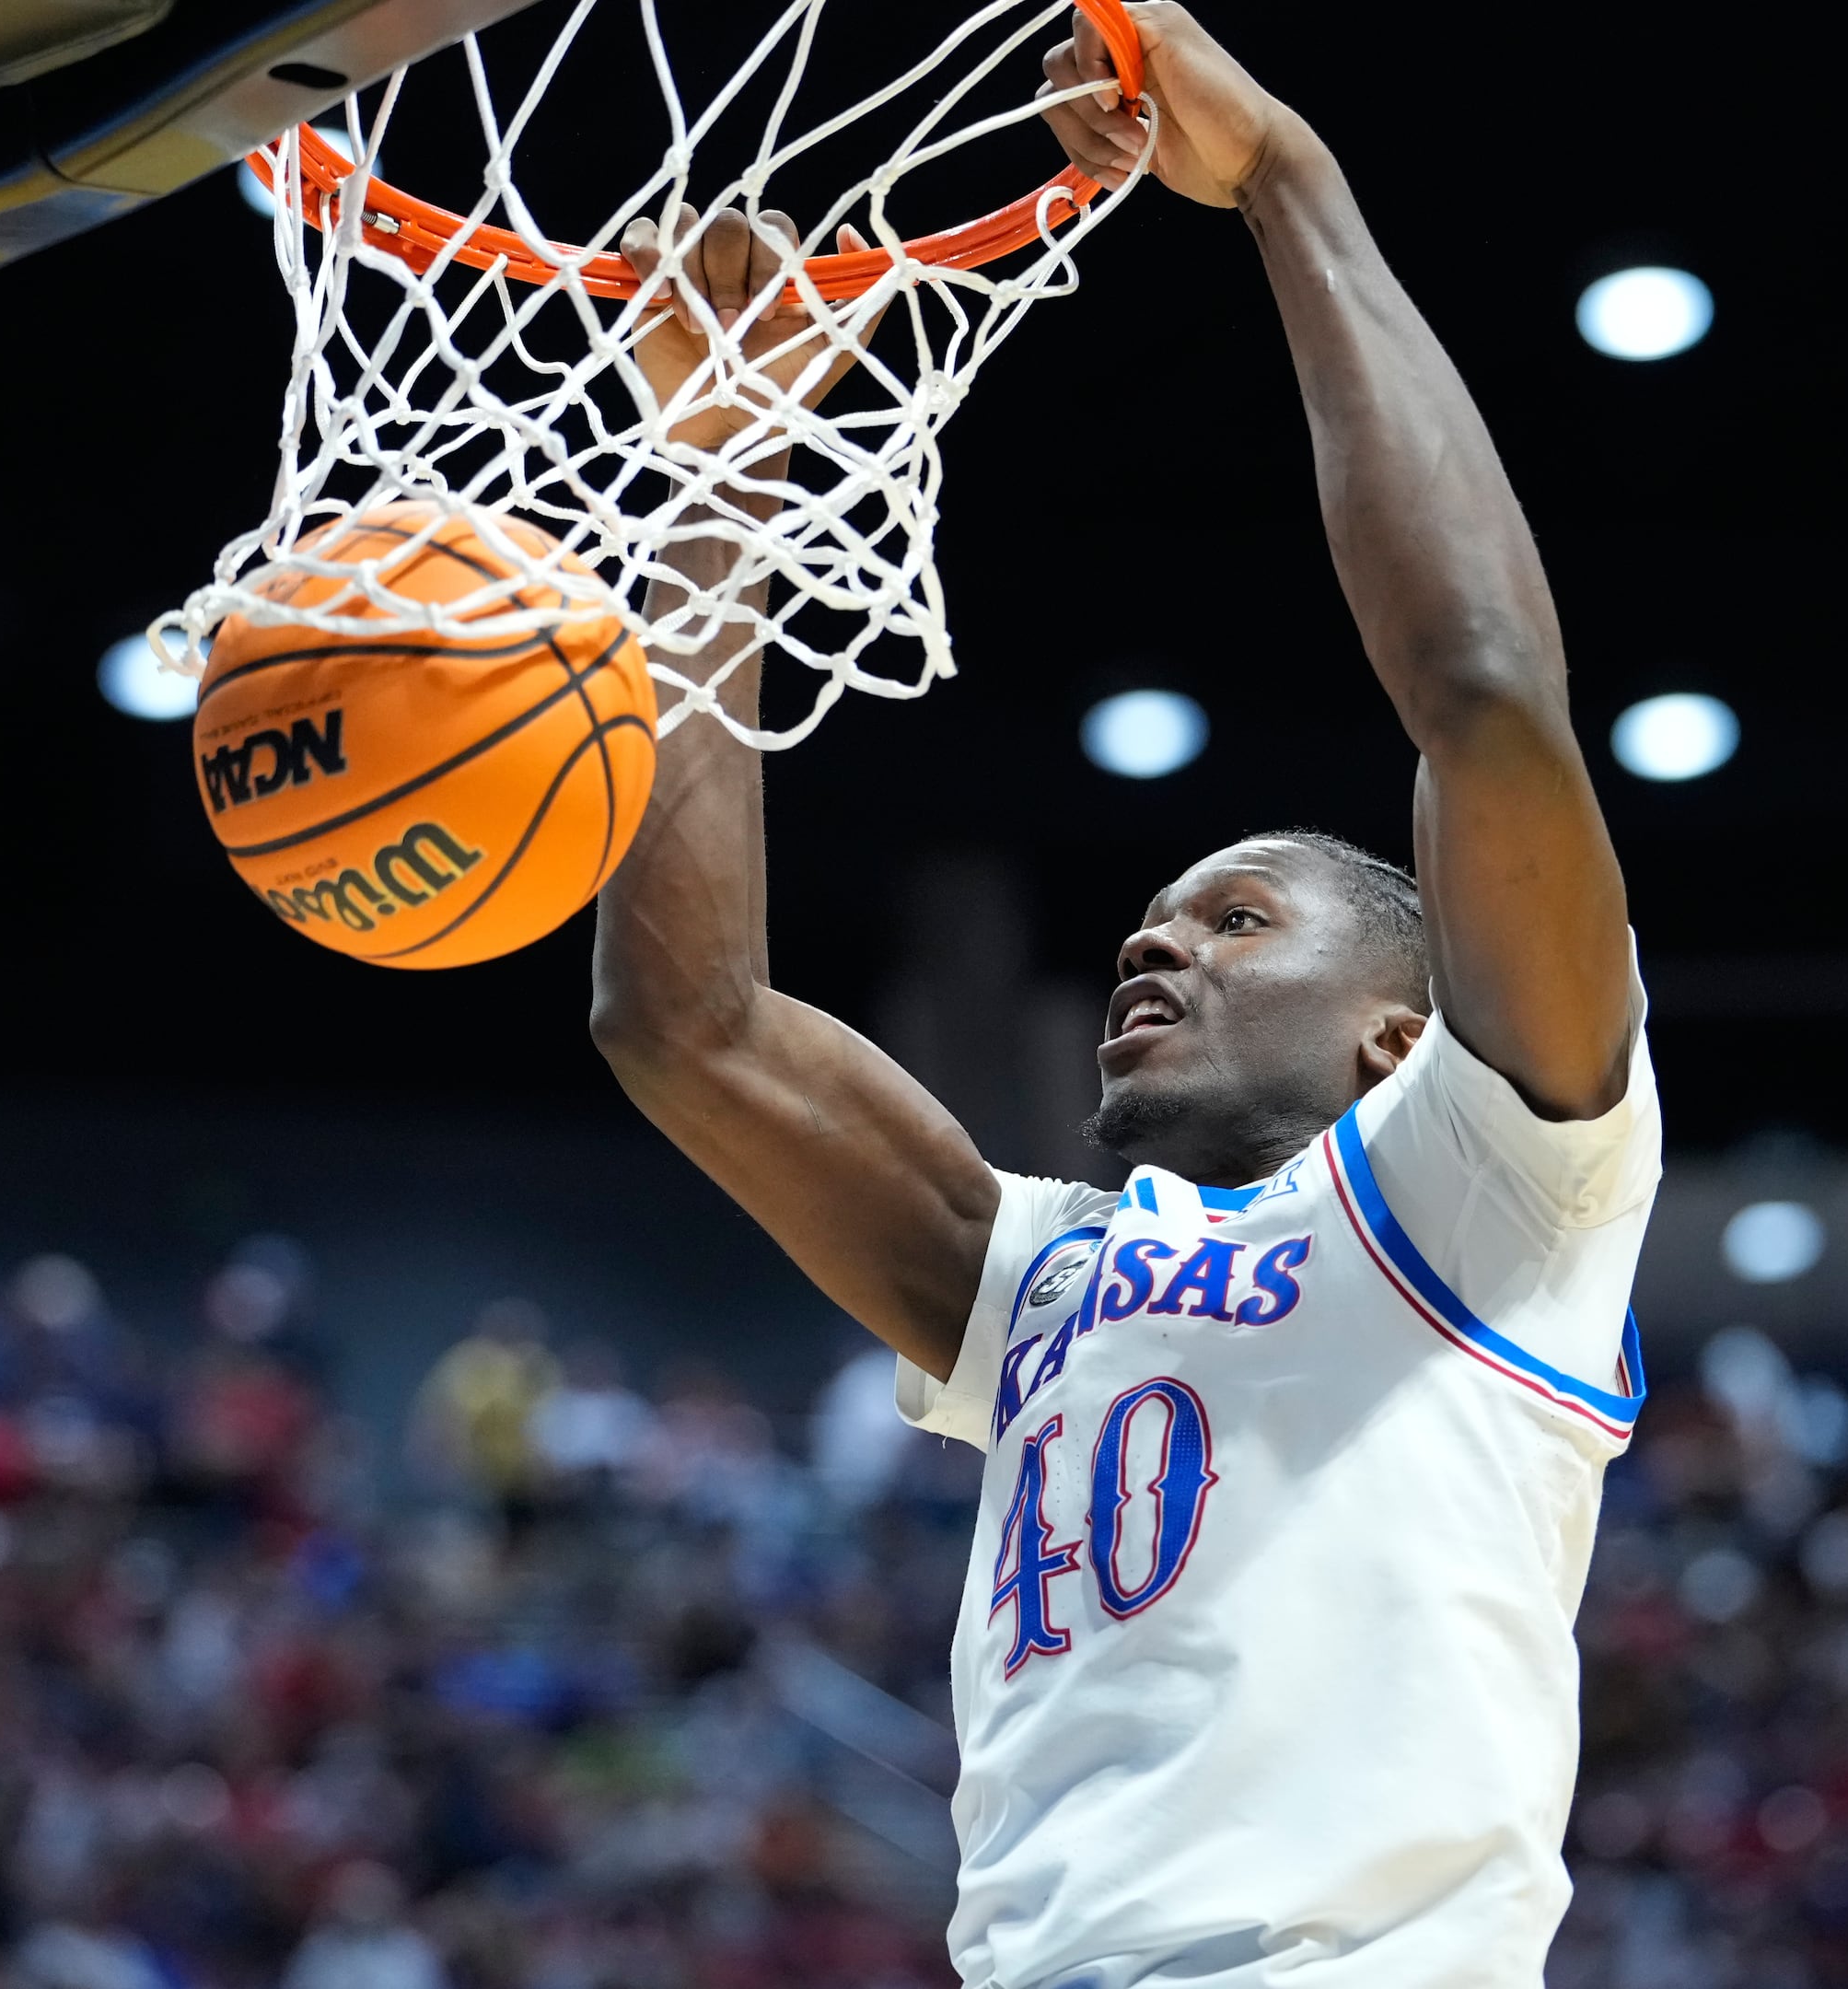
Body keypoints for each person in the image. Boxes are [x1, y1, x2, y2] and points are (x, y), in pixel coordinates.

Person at [587, 8, 1654, 1983]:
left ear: (1397, 1038)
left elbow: (1490, 698)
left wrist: (1286, 185)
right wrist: (716, 482)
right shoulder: (1049, 1273)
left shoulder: (1494, 1192)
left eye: (1240, 921)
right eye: (1159, 921)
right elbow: (690, 1026)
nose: (1157, 944)